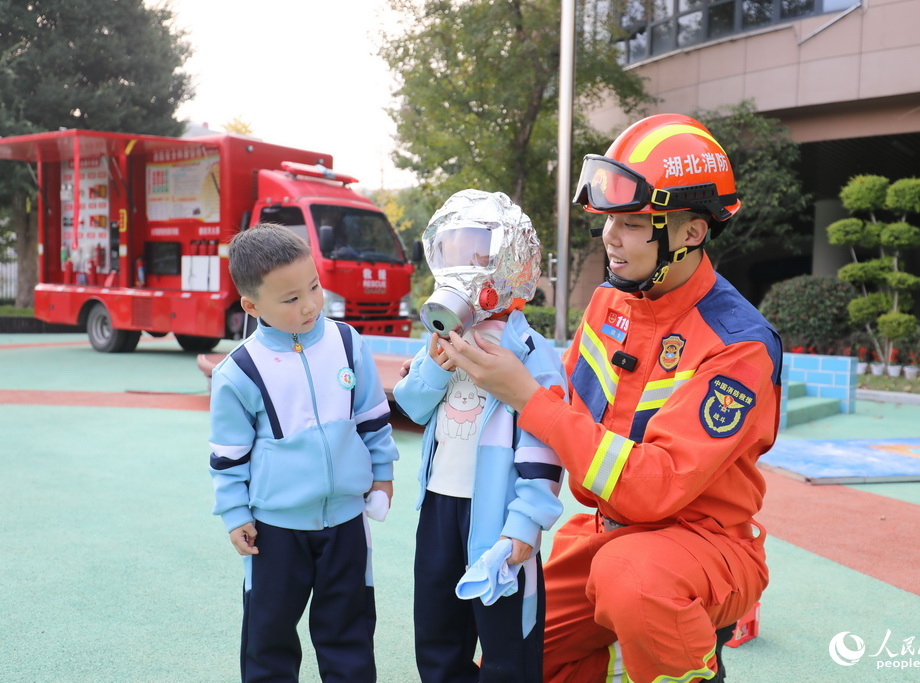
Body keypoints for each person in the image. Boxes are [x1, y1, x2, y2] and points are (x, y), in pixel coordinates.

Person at [438, 114, 783, 682]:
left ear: (691, 233)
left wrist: (525, 395)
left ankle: (688, 650)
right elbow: (562, 403)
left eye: (631, 223)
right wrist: (470, 363)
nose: (610, 236)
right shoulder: (610, 302)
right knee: (508, 654)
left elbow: (653, 487)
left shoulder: (739, 345)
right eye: (608, 220)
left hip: (702, 546)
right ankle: (629, 654)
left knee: (634, 583)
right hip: (608, 535)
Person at [208, 223, 399, 682]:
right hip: (274, 530)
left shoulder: (347, 342)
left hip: (346, 522)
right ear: (252, 306)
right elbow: (228, 456)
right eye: (291, 299)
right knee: (268, 637)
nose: (311, 304)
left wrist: (382, 473)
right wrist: (235, 514)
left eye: (314, 286)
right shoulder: (238, 372)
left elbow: (373, 417)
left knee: (349, 633)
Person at [393, 189, 567, 683]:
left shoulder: (528, 349)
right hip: (440, 505)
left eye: (476, 253)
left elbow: (547, 439)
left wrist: (526, 522)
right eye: (451, 251)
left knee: (507, 637)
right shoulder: (442, 340)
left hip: (499, 513)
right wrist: (433, 365)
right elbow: (411, 405)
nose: (463, 268)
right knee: (436, 627)